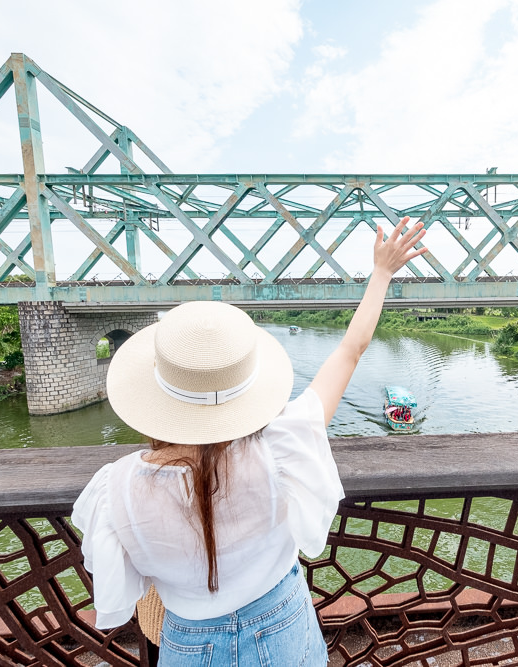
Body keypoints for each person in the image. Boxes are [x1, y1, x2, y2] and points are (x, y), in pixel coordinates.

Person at [71, 218, 427, 666]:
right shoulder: (281, 447)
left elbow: (121, 590)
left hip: (187, 644)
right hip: (285, 628)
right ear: (246, 388)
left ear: (155, 393)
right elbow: (349, 351)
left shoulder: (115, 488)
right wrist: (382, 273)